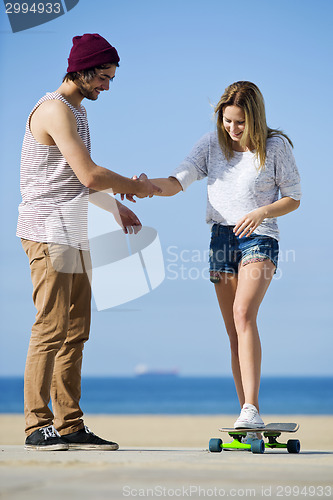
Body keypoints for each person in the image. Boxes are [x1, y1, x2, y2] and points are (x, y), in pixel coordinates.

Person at [127, 81, 301, 431]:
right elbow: (179, 181)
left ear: (255, 118)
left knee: (243, 312)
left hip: (259, 238)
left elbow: (293, 198)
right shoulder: (211, 144)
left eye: (240, 123)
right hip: (221, 238)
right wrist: (145, 187)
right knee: (234, 332)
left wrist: (262, 213)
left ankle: (251, 407)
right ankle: (246, 412)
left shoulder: (275, 146)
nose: (233, 130)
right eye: (227, 121)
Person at [17, 33, 160, 451]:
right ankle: (35, 424)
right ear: (81, 69)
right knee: (50, 326)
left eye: (111, 79)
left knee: (76, 330)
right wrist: (139, 189)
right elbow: (91, 175)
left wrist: (117, 209)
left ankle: (69, 425)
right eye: (103, 77)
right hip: (47, 231)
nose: (107, 86)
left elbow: (77, 183)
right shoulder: (53, 110)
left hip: (75, 229)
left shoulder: (78, 110)